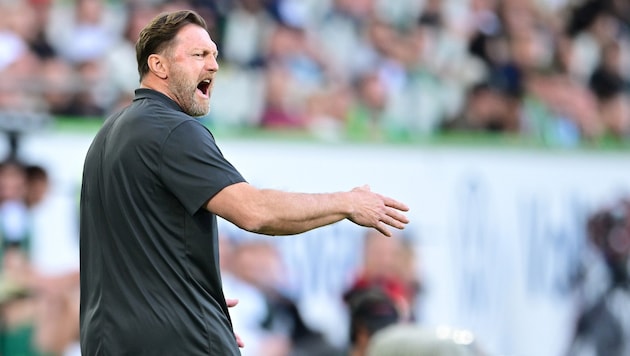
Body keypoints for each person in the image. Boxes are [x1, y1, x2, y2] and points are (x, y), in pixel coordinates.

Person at [79, 9, 410, 356]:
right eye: (199, 55)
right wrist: (348, 202)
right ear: (159, 66)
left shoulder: (107, 136)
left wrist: (192, 300)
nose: (213, 66)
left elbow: (132, 256)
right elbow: (256, 212)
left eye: (214, 55)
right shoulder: (173, 130)